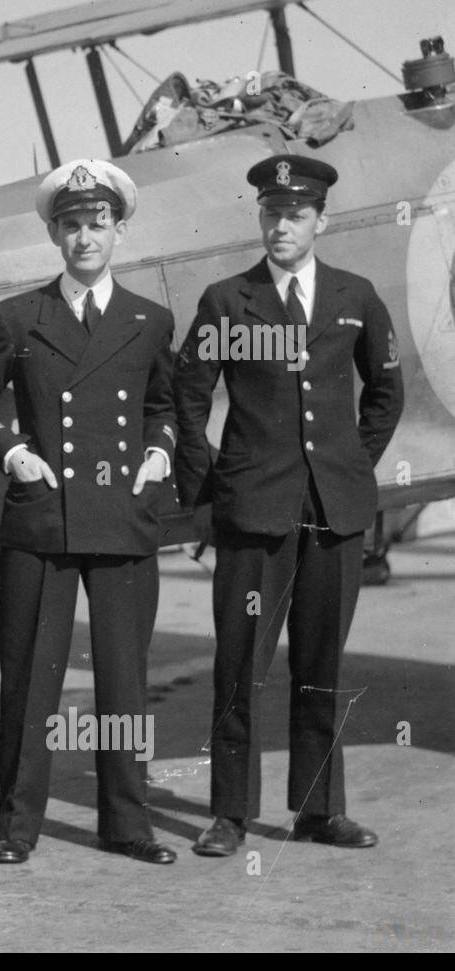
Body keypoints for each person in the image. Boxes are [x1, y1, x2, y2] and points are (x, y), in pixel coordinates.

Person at [174, 155, 404, 856]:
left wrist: (348, 466)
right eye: (272, 213)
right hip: (253, 512)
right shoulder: (225, 300)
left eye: (296, 215)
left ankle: (318, 811)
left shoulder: (355, 295)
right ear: (261, 218)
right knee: (240, 666)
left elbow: (386, 391)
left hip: (333, 514)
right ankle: (229, 815)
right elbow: (188, 396)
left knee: (321, 666)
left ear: (320, 220)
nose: (282, 226)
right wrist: (212, 487)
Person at [0, 159, 179, 866]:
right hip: (42, 518)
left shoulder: (148, 320)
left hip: (123, 516)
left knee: (124, 678)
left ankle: (127, 823)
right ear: (53, 234)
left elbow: (163, 406)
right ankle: (16, 825)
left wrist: (159, 450)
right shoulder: (16, 317)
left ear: (119, 231)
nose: (84, 237)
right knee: (31, 675)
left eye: (98, 224)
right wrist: (12, 454)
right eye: (71, 225)